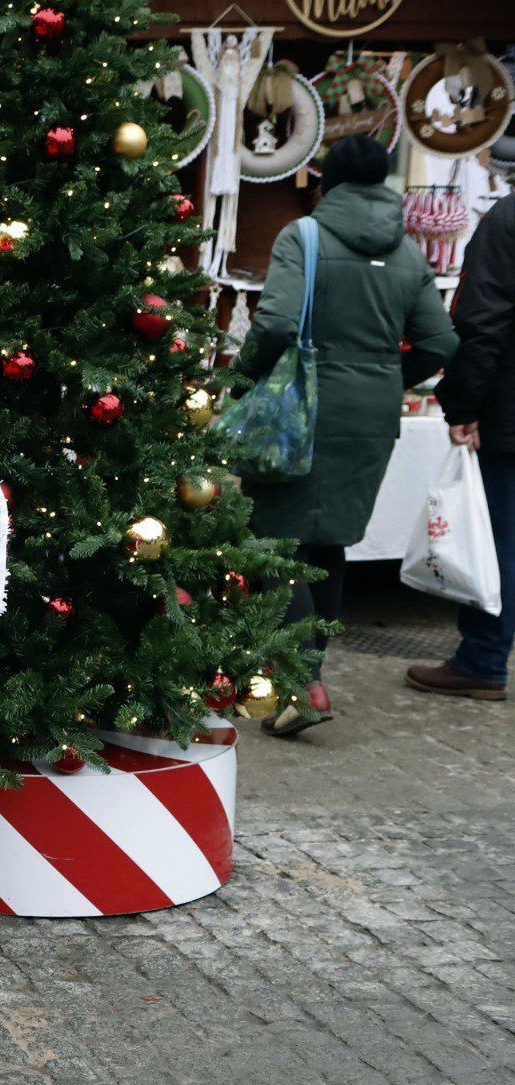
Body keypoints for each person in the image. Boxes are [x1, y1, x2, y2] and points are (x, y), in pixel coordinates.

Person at [235, 136, 459, 737]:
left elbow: (278, 322)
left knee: (277, 542)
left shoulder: (302, 236)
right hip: (373, 412)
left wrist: (242, 380)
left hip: (304, 409)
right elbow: (440, 343)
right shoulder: (410, 252)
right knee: (328, 544)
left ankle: (301, 685)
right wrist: (388, 376)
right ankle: (302, 676)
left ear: (326, 181)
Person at [407, 192, 515, 702]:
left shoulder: (507, 219)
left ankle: (482, 661)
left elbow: (481, 321)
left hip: (510, 415)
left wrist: (464, 407)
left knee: (502, 542)